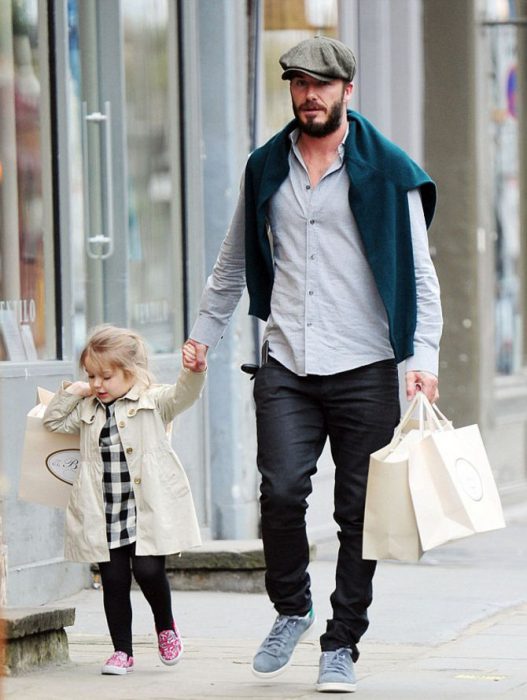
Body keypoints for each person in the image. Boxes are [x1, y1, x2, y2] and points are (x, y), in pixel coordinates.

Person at [184, 36, 442, 694]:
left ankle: (341, 642)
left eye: (321, 85)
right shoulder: (266, 165)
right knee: (281, 493)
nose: (309, 95)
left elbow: (418, 274)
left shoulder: (387, 170)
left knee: (359, 515)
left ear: (346, 92)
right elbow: (232, 260)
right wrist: (203, 334)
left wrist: (422, 356)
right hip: (287, 363)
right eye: (298, 83)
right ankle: (291, 608)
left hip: (364, 363)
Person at [43, 324, 207, 675]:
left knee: (149, 571)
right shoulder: (88, 408)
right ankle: (122, 651)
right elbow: (53, 421)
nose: (98, 384)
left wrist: (194, 371)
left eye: (106, 376)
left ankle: (166, 627)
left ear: (130, 373)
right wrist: (74, 390)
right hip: (104, 510)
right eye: (91, 375)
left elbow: (184, 396)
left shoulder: (153, 401)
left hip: (145, 509)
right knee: (113, 580)